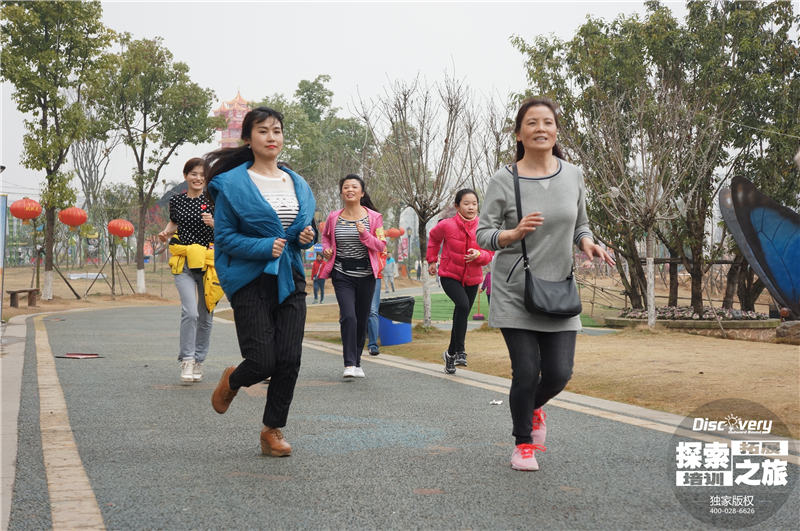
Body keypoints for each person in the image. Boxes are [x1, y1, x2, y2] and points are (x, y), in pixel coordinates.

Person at [476, 97, 614, 472]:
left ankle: (533, 407)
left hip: (559, 287)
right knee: (525, 370)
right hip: (514, 288)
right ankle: (523, 443)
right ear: (519, 133)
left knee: (558, 373)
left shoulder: (573, 174)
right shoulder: (504, 179)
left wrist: (587, 242)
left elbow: (581, 222)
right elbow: (482, 235)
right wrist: (512, 233)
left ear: (556, 131)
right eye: (532, 123)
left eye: (548, 122)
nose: (541, 128)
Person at [206, 107, 316, 457]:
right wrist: (264, 246)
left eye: (277, 131)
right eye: (264, 131)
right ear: (248, 139)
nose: (272, 137)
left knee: (289, 358)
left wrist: (305, 238)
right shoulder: (233, 184)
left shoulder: (296, 182)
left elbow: (299, 231)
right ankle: (233, 379)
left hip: (290, 277)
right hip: (250, 279)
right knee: (263, 360)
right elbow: (224, 238)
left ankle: (272, 430)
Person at [319, 174, 386, 378]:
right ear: (341, 193)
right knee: (348, 316)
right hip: (342, 273)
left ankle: (357, 362)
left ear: (361, 193)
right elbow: (326, 238)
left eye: (354, 187)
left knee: (362, 318)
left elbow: (382, 245)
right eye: (346, 187)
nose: (350, 190)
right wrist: (327, 250)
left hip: (366, 274)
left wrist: (365, 235)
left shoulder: (374, 217)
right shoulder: (333, 217)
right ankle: (348, 364)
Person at [158, 158, 215, 384]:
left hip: (209, 263)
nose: (198, 178)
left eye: (202, 174)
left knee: (206, 315)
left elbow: (228, 228)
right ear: (186, 176)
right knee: (190, 312)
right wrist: (165, 233)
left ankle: (199, 360)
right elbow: (174, 224)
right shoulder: (177, 200)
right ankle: (187, 360)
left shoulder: (214, 200)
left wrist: (214, 223)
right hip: (183, 262)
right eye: (193, 173)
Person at [427, 189, 494, 374]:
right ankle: (461, 351)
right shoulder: (446, 225)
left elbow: (490, 252)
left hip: (473, 278)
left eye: (474, 203)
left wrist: (479, 255)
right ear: (457, 206)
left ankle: (450, 354)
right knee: (463, 306)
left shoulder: (483, 226)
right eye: (466, 203)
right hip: (449, 274)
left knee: (461, 313)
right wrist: (432, 260)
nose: (471, 207)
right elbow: (433, 238)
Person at [366, 251, 388, 356]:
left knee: (372, 311)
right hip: (354, 275)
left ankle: (373, 345)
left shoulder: (379, 234)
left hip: (375, 276)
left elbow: (383, 252)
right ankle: (354, 342)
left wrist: (376, 267)